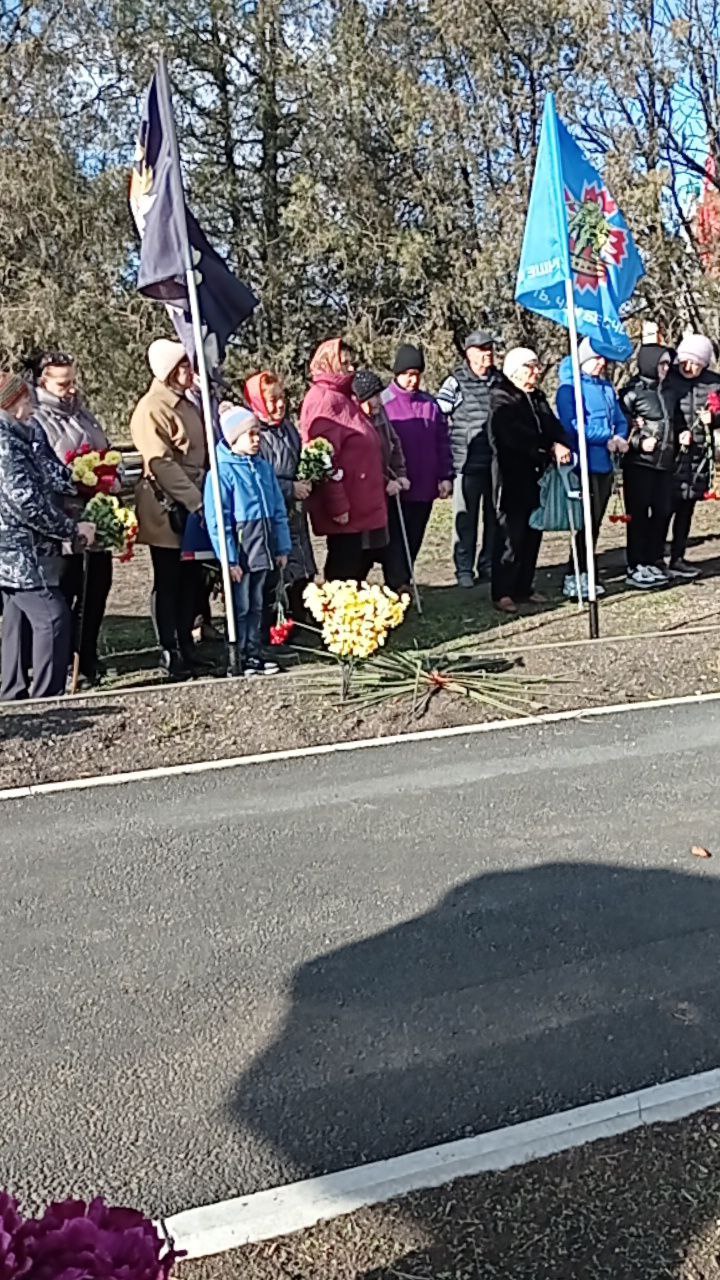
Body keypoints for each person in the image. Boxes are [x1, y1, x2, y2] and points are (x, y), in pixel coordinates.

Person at [0, 372, 96, 700]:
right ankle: (47, 698)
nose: (31, 409)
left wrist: (80, 481)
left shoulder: (19, 435)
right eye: (27, 402)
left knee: (15, 618)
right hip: (21, 551)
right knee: (53, 617)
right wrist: (70, 529)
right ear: (12, 404)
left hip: (16, 552)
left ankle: (12, 693)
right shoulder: (5, 445)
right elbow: (25, 501)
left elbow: (46, 470)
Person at [32, 350, 115, 684]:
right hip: (63, 518)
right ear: (44, 382)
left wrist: (110, 473)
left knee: (97, 587)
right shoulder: (37, 419)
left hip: (97, 513)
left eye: (72, 381)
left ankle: (88, 658)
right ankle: (65, 664)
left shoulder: (84, 413)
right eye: (62, 383)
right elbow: (42, 468)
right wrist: (75, 479)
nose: (70, 389)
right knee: (66, 592)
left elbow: (104, 447)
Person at [130, 339, 208, 680]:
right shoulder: (152, 408)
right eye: (182, 367)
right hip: (167, 506)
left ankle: (187, 645)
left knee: (192, 577)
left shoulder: (188, 404)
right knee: (169, 580)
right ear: (166, 372)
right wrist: (194, 500)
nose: (189, 372)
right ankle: (169, 649)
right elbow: (160, 462)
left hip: (195, 500)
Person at [204, 406, 291, 677]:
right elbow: (219, 520)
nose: (257, 440)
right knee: (240, 607)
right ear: (233, 438)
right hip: (242, 553)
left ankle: (254, 651)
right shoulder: (221, 474)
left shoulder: (263, 468)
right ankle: (239, 654)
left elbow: (278, 509)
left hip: (262, 549)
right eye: (250, 434)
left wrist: (282, 546)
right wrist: (229, 558)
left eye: (258, 434)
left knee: (257, 604)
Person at [488, 348, 571, 613]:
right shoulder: (502, 397)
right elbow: (513, 435)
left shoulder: (538, 398)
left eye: (537, 367)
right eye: (531, 367)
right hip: (511, 477)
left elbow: (552, 426)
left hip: (537, 477)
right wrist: (548, 447)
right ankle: (502, 591)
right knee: (511, 536)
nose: (537, 372)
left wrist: (559, 441)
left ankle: (524, 586)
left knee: (533, 533)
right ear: (517, 370)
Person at [299, 338, 387, 583]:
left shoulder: (343, 396)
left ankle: (351, 617)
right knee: (343, 567)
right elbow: (324, 458)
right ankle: (338, 619)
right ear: (328, 364)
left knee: (355, 566)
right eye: (344, 363)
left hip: (359, 500)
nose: (351, 369)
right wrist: (338, 507)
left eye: (351, 363)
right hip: (345, 507)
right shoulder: (324, 401)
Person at [556, 338, 629, 600]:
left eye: (604, 359)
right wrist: (605, 437)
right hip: (583, 462)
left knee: (595, 521)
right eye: (597, 359)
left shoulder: (607, 388)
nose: (602, 364)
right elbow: (572, 424)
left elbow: (619, 418)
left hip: (605, 464)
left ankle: (587, 571)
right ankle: (573, 574)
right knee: (584, 521)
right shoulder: (569, 389)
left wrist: (621, 436)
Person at [244, 370, 317, 633]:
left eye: (282, 397)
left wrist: (310, 474)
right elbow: (258, 475)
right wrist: (289, 488)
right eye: (272, 400)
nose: (280, 404)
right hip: (273, 509)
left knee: (302, 559)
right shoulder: (255, 434)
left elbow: (298, 460)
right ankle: (277, 621)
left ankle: (302, 612)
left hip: (296, 509)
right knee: (280, 563)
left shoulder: (288, 429)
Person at [381, 345, 454, 589]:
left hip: (425, 484)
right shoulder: (384, 403)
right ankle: (396, 582)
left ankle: (405, 578)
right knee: (396, 539)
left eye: (417, 374)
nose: (413, 380)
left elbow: (442, 441)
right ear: (397, 373)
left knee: (415, 536)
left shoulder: (429, 404)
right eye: (408, 374)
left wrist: (445, 476)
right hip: (397, 485)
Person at [436, 330, 502, 588]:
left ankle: (487, 565)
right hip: (466, 462)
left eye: (490, 349)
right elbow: (438, 415)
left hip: (495, 462)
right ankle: (463, 569)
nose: (487, 355)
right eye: (482, 350)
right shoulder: (455, 382)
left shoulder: (499, 380)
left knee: (494, 517)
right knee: (465, 519)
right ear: (469, 353)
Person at [620, 345, 680, 590]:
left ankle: (654, 559)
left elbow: (675, 420)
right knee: (639, 514)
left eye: (668, 364)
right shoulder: (632, 392)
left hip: (664, 464)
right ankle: (636, 564)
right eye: (661, 364)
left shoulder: (668, 392)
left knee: (663, 511)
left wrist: (683, 434)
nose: (665, 369)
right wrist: (638, 442)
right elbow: (621, 428)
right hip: (640, 464)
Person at [663, 333, 720, 579]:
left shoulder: (715, 383)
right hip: (672, 454)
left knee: (686, 508)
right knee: (665, 508)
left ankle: (678, 557)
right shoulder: (669, 380)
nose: (689, 367)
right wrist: (678, 433)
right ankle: (656, 557)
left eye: (695, 363)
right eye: (685, 361)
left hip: (697, 456)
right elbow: (662, 411)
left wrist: (715, 419)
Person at [351, 368, 409, 580]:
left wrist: (400, 474)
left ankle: (398, 586)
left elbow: (394, 444)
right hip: (366, 495)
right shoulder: (356, 421)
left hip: (386, 493)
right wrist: (385, 482)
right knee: (364, 549)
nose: (379, 401)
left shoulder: (381, 414)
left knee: (391, 544)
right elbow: (364, 462)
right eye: (374, 397)